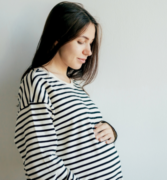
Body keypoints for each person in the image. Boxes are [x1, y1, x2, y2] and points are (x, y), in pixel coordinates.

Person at [14, 1, 123, 179]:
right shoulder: (37, 81)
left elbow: (78, 134)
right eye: (81, 41)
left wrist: (110, 131)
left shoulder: (76, 86)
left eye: (91, 43)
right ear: (58, 38)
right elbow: (40, 159)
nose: (88, 51)